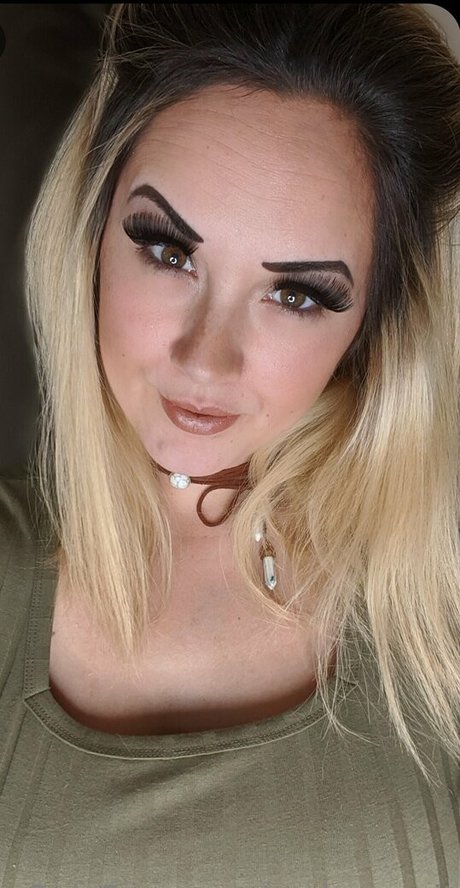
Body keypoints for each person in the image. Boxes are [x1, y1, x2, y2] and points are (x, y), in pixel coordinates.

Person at [0, 4, 459, 885]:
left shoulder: (438, 606)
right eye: (167, 251)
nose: (206, 359)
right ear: (90, 230)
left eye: (297, 294)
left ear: (373, 325)